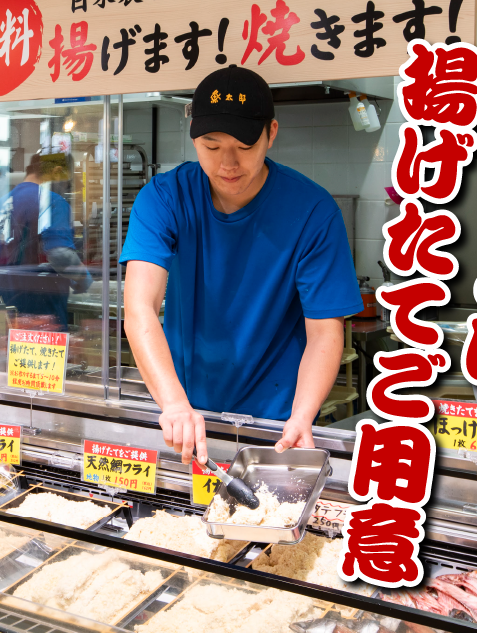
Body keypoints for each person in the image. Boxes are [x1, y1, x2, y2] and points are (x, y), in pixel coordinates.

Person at [118, 66, 361, 462]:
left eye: (244, 146)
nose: (227, 163)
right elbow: (139, 307)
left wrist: (303, 416)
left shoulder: (313, 211)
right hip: (184, 413)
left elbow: (324, 332)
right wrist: (175, 404)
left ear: (272, 133)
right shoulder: (164, 198)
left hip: (275, 424)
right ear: (193, 135)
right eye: (211, 146)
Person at [0, 152, 89, 329]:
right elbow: (60, 254)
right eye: (67, 180)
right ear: (57, 172)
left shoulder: (2, 202)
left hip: (9, 296)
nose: (67, 186)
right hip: (44, 301)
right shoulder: (52, 201)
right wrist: (83, 279)